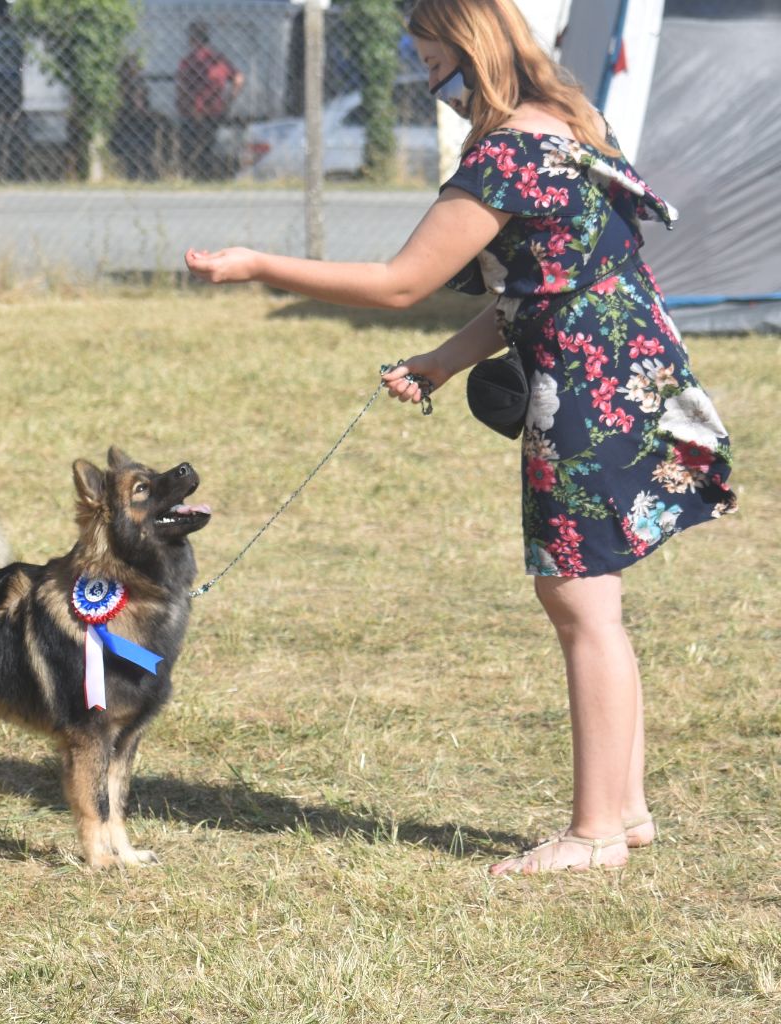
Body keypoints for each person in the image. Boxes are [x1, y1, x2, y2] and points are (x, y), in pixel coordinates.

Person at [185, 0, 738, 876]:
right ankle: (625, 812)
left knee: (579, 601)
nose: (427, 82)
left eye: (432, 62)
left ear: (471, 54)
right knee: (596, 603)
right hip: (629, 365)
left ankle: (593, 834)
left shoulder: (508, 154)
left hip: (589, 387)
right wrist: (446, 361)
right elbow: (546, 280)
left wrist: (257, 263)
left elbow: (400, 282)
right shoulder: (569, 120)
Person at [175, 21, 245, 180]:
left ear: (192, 38)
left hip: (193, 112)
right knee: (210, 145)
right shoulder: (218, 59)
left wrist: (190, 107)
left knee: (192, 147)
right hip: (216, 110)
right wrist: (229, 99)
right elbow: (239, 78)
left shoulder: (189, 61)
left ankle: (194, 175)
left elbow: (183, 87)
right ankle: (210, 175)